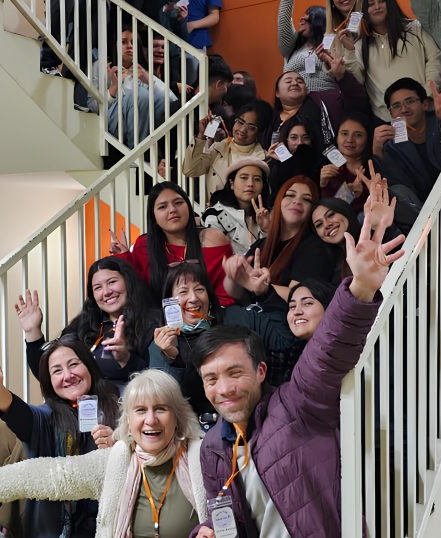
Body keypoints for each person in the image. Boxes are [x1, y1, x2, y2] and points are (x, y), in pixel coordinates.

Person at [190, 206, 406, 538]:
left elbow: (327, 352)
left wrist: (361, 287)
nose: (224, 388)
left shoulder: (296, 405)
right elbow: (227, 518)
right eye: (211, 379)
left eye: (235, 372)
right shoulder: (212, 447)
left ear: (261, 371)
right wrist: (205, 531)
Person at [0, 369, 209, 538]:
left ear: (177, 416)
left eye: (161, 409)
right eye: (141, 410)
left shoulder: (202, 457)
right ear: (129, 422)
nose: (151, 420)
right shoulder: (116, 460)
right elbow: (44, 474)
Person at [0, 336, 121, 537]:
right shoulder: (46, 418)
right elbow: (19, 415)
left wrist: (118, 448)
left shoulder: (120, 409)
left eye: (74, 364)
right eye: (57, 371)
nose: (68, 375)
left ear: (88, 365)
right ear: (49, 382)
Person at [16, 257, 158, 392]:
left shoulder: (152, 322)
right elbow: (47, 374)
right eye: (98, 288)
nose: (106, 292)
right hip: (81, 404)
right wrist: (32, 332)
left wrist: (126, 359)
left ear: (128, 282)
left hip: (128, 403)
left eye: (112, 282)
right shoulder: (82, 325)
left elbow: (158, 380)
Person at [110, 181, 235, 306]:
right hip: (158, 317)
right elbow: (138, 292)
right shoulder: (144, 245)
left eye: (178, 203)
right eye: (162, 207)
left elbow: (225, 296)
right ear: (154, 218)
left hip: (206, 315)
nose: (172, 210)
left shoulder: (211, 239)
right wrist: (125, 258)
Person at [224, 175, 339, 308]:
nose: (297, 201)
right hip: (246, 315)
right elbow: (235, 293)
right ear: (279, 201)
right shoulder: (261, 244)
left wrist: (262, 288)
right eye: (290, 195)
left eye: (306, 199)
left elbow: (299, 297)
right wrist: (232, 275)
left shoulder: (314, 247)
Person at [344, 0, 441, 121]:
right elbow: (357, 80)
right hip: (388, 122)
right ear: (364, 10)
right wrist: (349, 51)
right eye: (371, 4)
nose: (377, 7)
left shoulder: (415, 29)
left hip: (425, 112)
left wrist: (428, 94)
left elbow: (435, 59)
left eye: (381, 1)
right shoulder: (360, 46)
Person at [373, 76, 441, 202]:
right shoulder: (392, 147)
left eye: (410, 101)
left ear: (425, 104)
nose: (404, 109)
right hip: (426, 208)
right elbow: (400, 187)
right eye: (396, 106)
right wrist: (378, 151)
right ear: (391, 114)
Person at [149, 263, 221, 420]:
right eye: (183, 292)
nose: (193, 298)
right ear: (170, 302)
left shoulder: (224, 330)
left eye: (200, 290)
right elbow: (166, 401)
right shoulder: (159, 344)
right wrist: (172, 357)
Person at [87, 26, 177, 148]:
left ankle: (149, 148)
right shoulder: (100, 66)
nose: (129, 46)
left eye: (133, 43)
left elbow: (171, 100)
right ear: (115, 45)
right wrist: (114, 87)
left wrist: (148, 80)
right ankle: (137, 151)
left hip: (140, 125)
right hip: (110, 122)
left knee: (161, 98)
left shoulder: (140, 71)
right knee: (140, 94)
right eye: (123, 42)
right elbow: (93, 107)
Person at [182, 103, 268, 195]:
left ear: (259, 133)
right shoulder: (219, 147)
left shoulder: (263, 158)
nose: (242, 130)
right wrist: (201, 136)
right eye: (240, 122)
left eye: (251, 127)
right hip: (214, 203)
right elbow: (190, 170)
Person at [201, 157, 271, 255]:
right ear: (232, 183)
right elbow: (216, 257)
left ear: (263, 186)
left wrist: (266, 230)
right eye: (244, 178)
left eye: (257, 179)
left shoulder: (269, 215)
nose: (250, 184)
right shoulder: (215, 215)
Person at [277, 1, 338, 92]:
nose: (301, 19)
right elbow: (284, 20)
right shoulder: (292, 46)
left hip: (327, 98)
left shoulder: (334, 45)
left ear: (320, 21)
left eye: (309, 17)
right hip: (295, 98)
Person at [319, 111, 372, 213]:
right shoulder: (324, 166)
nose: (349, 140)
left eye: (358, 135)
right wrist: (322, 184)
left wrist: (358, 195)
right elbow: (325, 212)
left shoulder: (373, 167)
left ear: (367, 139)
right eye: (344, 134)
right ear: (337, 136)